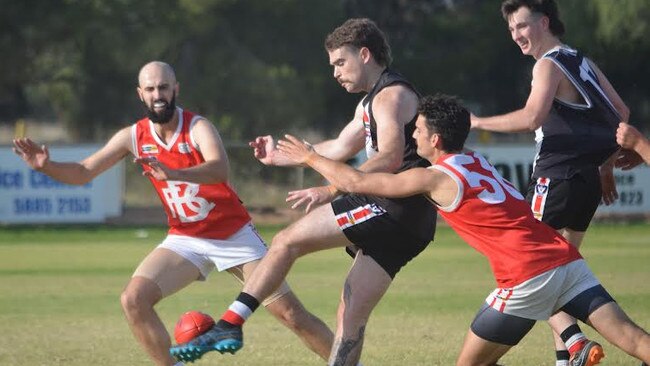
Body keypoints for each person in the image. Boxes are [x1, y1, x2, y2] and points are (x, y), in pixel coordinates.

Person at [277, 93, 650, 366]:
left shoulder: (434, 178)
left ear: (435, 139)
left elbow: (357, 182)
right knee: (633, 338)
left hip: (525, 277)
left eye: (419, 130)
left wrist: (310, 157)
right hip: (565, 261)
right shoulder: (475, 161)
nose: (414, 136)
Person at [11, 61, 335, 366]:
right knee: (133, 300)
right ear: (140, 94)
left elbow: (220, 169)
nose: (157, 95)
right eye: (150, 89)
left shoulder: (198, 126)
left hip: (233, 235)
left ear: (176, 88)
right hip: (185, 239)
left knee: (292, 315)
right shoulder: (132, 137)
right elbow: (83, 172)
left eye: (163, 87)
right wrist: (47, 166)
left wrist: (175, 172)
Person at [170, 18, 437, 365]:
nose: (336, 73)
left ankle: (229, 323)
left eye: (341, 62)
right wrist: (279, 157)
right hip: (413, 221)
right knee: (350, 314)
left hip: (390, 206)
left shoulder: (389, 97)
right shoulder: (372, 101)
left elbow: (389, 157)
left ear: (366, 54)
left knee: (285, 241)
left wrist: (331, 187)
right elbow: (340, 146)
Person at [470, 1, 630, 364]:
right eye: (511, 30)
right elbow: (621, 113)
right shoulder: (581, 60)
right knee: (561, 271)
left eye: (522, 26)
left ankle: (574, 341)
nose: (516, 36)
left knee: (532, 267)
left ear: (544, 22)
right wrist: (603, 165)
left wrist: (478, 123)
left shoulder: (549, 63)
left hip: (554, 179)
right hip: (584, 181)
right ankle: (568, 356)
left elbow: (531, 117)